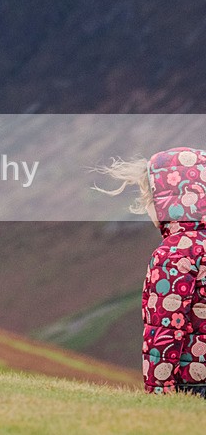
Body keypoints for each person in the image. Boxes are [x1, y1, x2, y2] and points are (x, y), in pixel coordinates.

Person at [96, 147, 206, 395]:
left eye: (149, 200)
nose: (147, 209)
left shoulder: (174, 254)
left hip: (193, 384)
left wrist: (159, 391)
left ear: (171, 203)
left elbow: (165, 330)